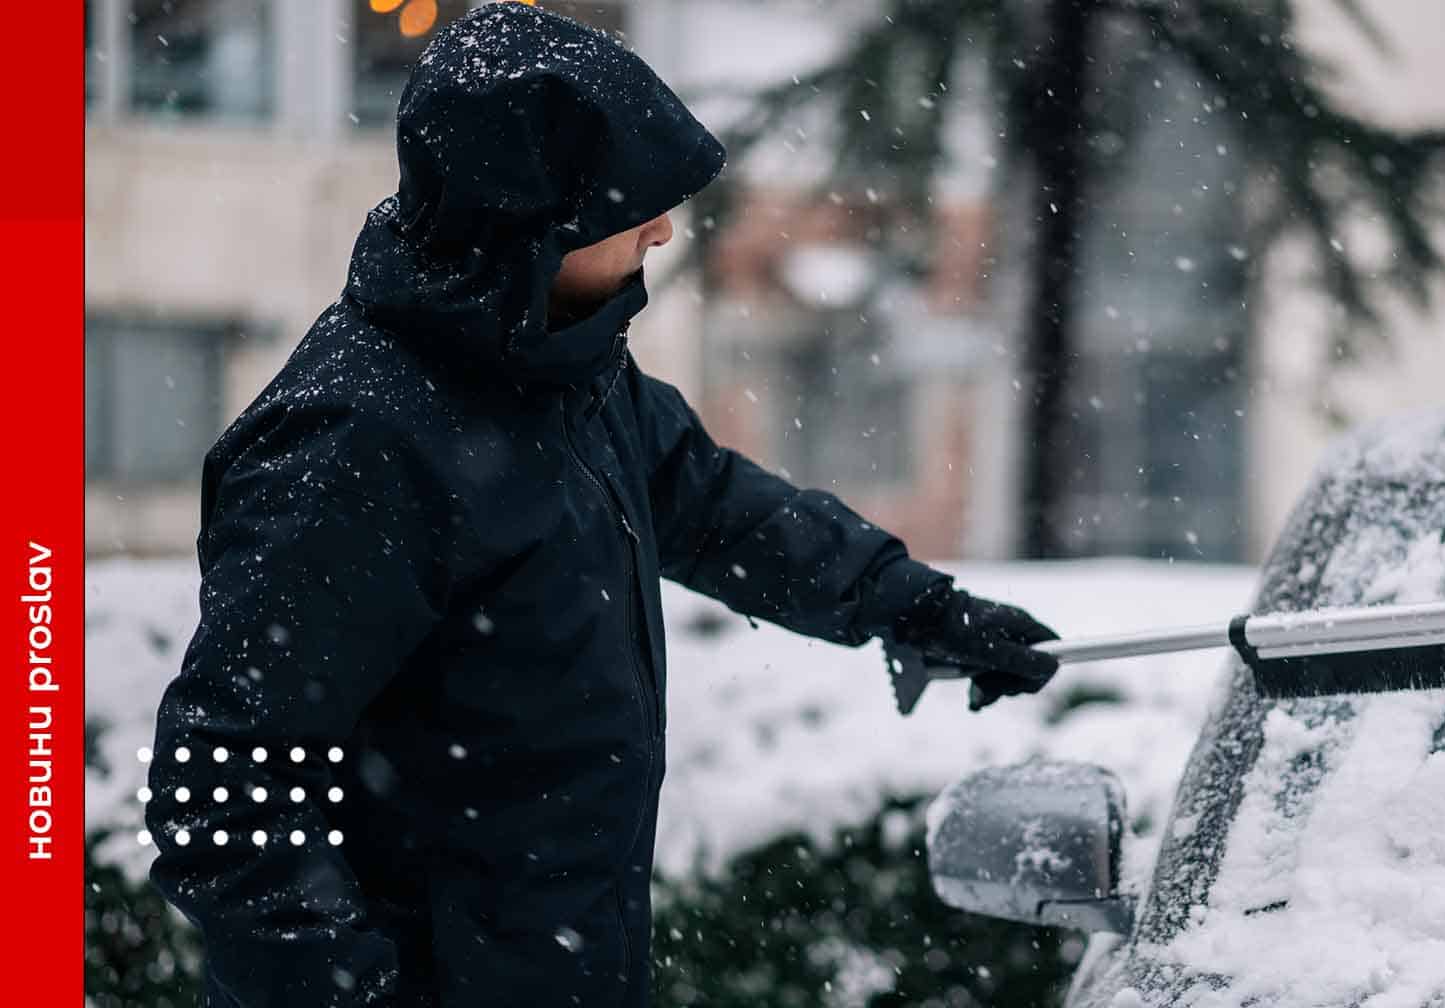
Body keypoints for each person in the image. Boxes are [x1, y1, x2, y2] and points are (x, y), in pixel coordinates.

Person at [142, 5, 1059, 1006]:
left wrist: (911, 605)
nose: (661, 230)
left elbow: (718, 506)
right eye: (632, 206)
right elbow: (224, 791)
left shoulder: (561, 370)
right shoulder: (355, 444)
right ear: (532, 223)